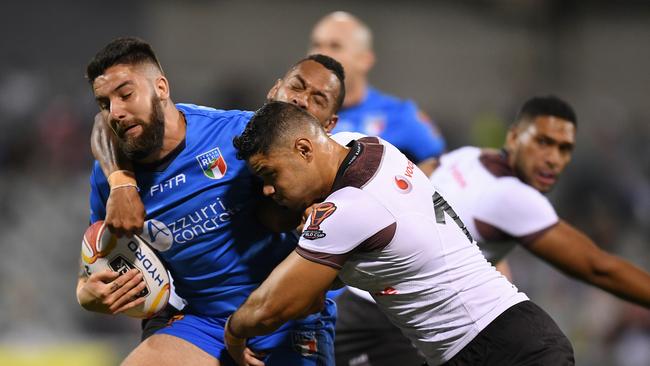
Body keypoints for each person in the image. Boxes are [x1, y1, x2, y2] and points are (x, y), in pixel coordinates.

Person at [224, 101, 575, 366]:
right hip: (499, 336)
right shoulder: (365, 143)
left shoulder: (349, 209)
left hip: (503, 349)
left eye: (270, 175)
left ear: (304, 149)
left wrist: (235, 332)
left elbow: (273, 307)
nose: (270, 190)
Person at [76, 37, 347, 366]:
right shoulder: (108, 174)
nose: (116, 112)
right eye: (105, 103)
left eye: (126, 94)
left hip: (281, 316)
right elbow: (96, 262)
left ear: (161, 87)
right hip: (203, 323)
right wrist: (86, 294)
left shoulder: (237, 133)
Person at [430, 95, 650, 307]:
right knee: (547, 342)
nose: (553, 159)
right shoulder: (515, 196)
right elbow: (597, 268)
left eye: (564, 148)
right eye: (543, 143)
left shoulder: (467, 156)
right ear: (514, 138)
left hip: (404, 305)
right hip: (413, 324)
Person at [309, 11, 445, 176]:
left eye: (335, 46)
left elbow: (441, 170)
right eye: (316, 44)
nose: (321, 54)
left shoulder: (400, 115)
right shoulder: (301, 113)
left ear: (365, 60)